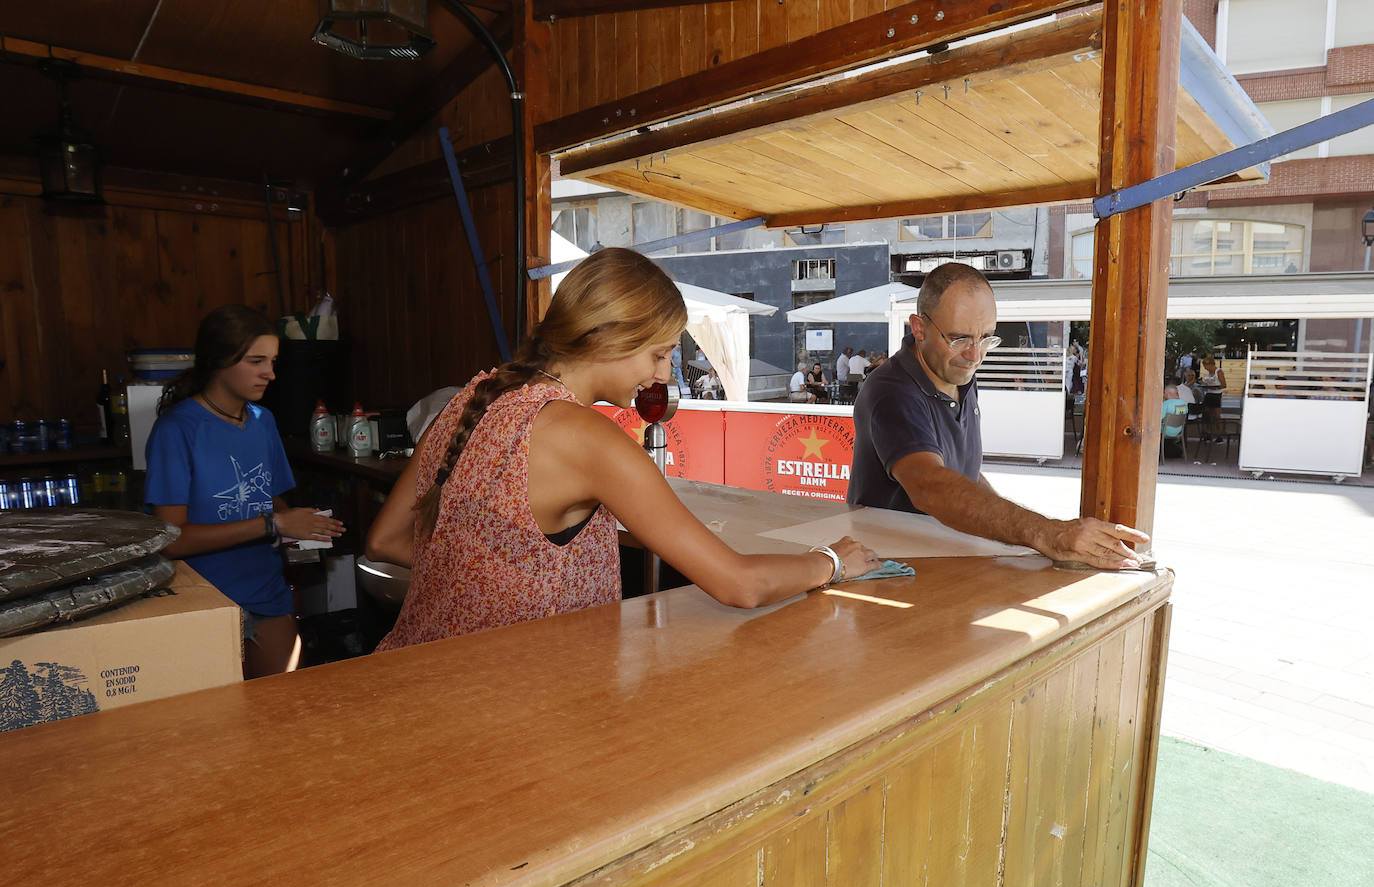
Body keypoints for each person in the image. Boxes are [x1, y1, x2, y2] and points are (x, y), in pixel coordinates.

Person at [366, 248, 880, 650]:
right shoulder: (586, 437)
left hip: (419, 674)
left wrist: (491, 584)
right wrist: (831, 561)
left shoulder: (474, 397)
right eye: (658, 354)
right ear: (606, 337)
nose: (662, 374)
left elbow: (386, 541)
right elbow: (739, 585)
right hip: (516, 704)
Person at [847, 262, 1148, 569]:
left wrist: (1017, 534)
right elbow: (929, 484)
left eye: (986, 338)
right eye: (959, 338)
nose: (975, 355)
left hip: (942, 555)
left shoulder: (957, 373)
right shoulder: (892, 391)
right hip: (886, 567)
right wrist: (1046, 533)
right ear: (919, 327)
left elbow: (963, 476)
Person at [144, 304, 346, 679]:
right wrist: (273, 525)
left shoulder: (261, 421)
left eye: (272, 361)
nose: (270, 374)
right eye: (256, 361)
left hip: (266, 590)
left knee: (283, 708)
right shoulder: (178, 430)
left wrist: (301, 529)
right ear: (219, 361)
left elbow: (267, 496)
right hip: (202, 600)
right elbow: (171, 540)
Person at [1197, 353, 1227, 440]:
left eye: (1206, 366)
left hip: (1216, 394)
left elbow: (1224, 385)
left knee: (1217, 415)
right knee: (1207, 414)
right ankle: (1208, 433)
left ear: (1210, 365)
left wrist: (1212, 387)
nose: (1206, 368)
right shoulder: (1208, 374)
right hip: (1209, 394)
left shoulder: (1219, 371)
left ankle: (1220, 434)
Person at [1161, 385, 1189, 457]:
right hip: (1178, 431)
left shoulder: (1165, 404)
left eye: (1164, 393)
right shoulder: (1184, 404)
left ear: (1169, 394)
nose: (1163, 394)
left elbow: (1158, 418)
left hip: (1165, 431)